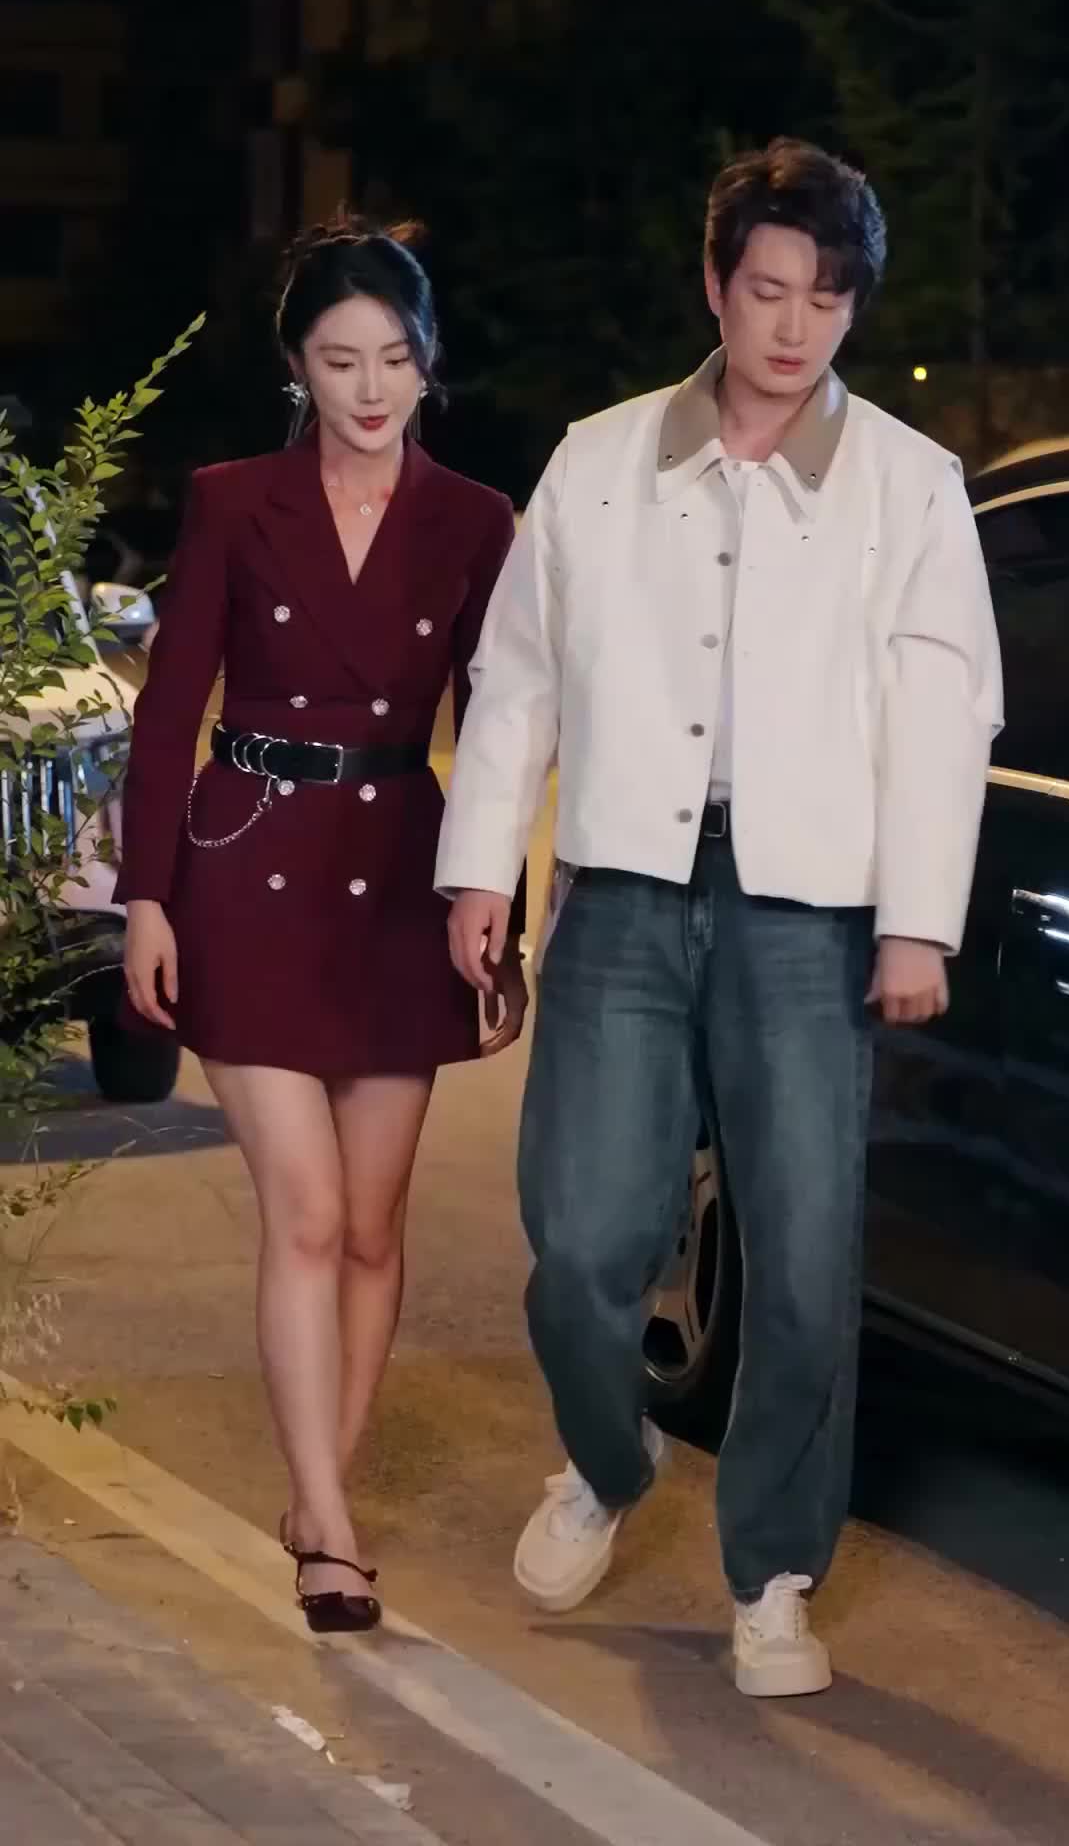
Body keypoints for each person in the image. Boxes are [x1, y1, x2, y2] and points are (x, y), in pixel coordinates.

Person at [436, 139, 1002, 1696]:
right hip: (623, 884)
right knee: (582, 1240)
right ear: (716, 284)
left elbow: (946, 716)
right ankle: (608, 1462)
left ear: (853, 307)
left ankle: (773, 1575)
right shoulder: (600, 459)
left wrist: (920, 924)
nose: (793, 326)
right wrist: (483, 869)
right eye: (768, 289)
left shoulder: (910, 485)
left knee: (806, 1259)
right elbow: (518, 679)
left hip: (809, 914)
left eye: (826, 297)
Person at [119, 219, 527, 1634]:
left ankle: (322, 1487)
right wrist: (147, 895)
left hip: (401, 878)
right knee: (303, 1210)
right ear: (296, 364)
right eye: (341, 360)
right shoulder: (235, 500)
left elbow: (499, 722)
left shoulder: (476, 521)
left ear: (428, 364)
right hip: (247, 871)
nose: (370, 388)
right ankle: (332, 1532)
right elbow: (171, 707)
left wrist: (497, 903)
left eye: (395, 360)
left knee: (371, 1223)